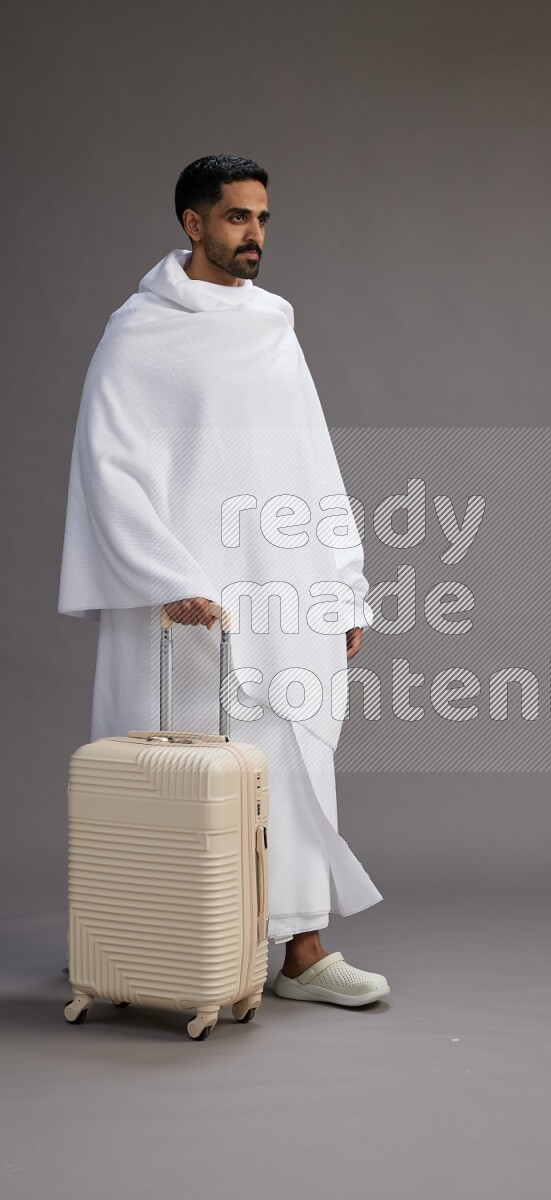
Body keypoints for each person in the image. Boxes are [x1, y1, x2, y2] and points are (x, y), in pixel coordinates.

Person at [58, 154, 389, 1007]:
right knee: (179, 766)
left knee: (290, 754)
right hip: (187, 601)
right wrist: (164, 574)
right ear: (192, 224)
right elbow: (108, 465)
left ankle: (304, 953)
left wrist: (343, 587)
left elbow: (314, 465)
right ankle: (146, 940)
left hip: (283, 587)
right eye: (238, 218)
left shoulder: (274, 326)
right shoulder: (139, 333)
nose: (255, 236)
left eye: (264, 219)